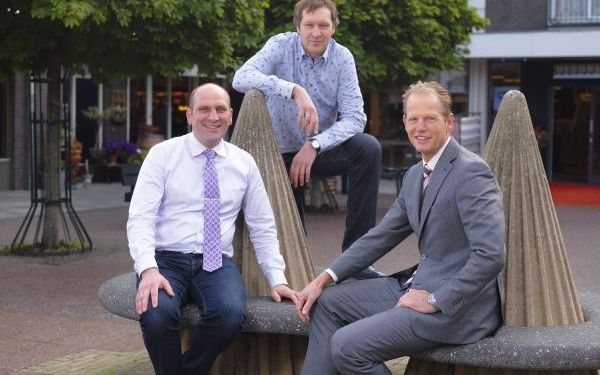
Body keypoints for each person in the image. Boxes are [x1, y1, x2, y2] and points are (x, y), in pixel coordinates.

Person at [295, 81, 506, 374]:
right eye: (413, 118)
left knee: (347, 346)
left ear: (448, 123)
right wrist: (324, 278)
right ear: (404, 121)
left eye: (430, 118)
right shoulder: (414, 175)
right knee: (327, 301)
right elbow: (380, 236)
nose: (420, 127)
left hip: (456, 309)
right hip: (414, 286)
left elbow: (491, 255)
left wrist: (435, 300)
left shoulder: (471, 172)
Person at [127, 83, 297, 375]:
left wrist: (276, 278)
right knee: (156, 315)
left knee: (229, 314)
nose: (213, 116)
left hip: (215, 262)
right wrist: (148, 270)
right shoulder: (163, 155)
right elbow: (140, 217)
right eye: (204, 109)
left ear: (231, 115)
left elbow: (263, 225)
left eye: (220, 109)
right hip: (166, 259)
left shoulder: (244, 163)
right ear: (190, 115)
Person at [232, 0, 383, 279]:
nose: (316, 32)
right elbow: (241, 77)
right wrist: (294, 90)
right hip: (277, 154)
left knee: (368, 149)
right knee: (292, 243)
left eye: (324, 25)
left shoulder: (342, 58)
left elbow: (355, 118)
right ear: (298, 27)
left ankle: (357, 259)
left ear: (333, 27)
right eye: (309, 25)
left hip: (317, 149)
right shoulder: (280, 45)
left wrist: (315, 144)